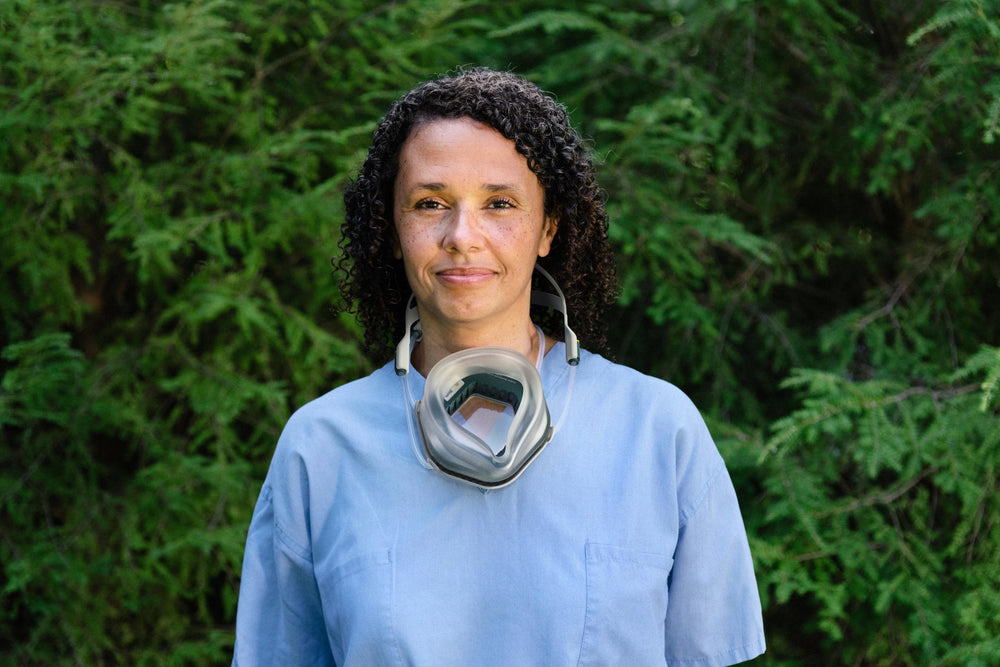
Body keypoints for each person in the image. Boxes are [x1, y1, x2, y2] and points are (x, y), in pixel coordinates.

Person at [233, 67, 766, 666]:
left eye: (500, 204)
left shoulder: (658, 430)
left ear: (548, 228)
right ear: (392, 227)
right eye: (430, 203)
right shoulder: (320, 446)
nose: (463, 235)